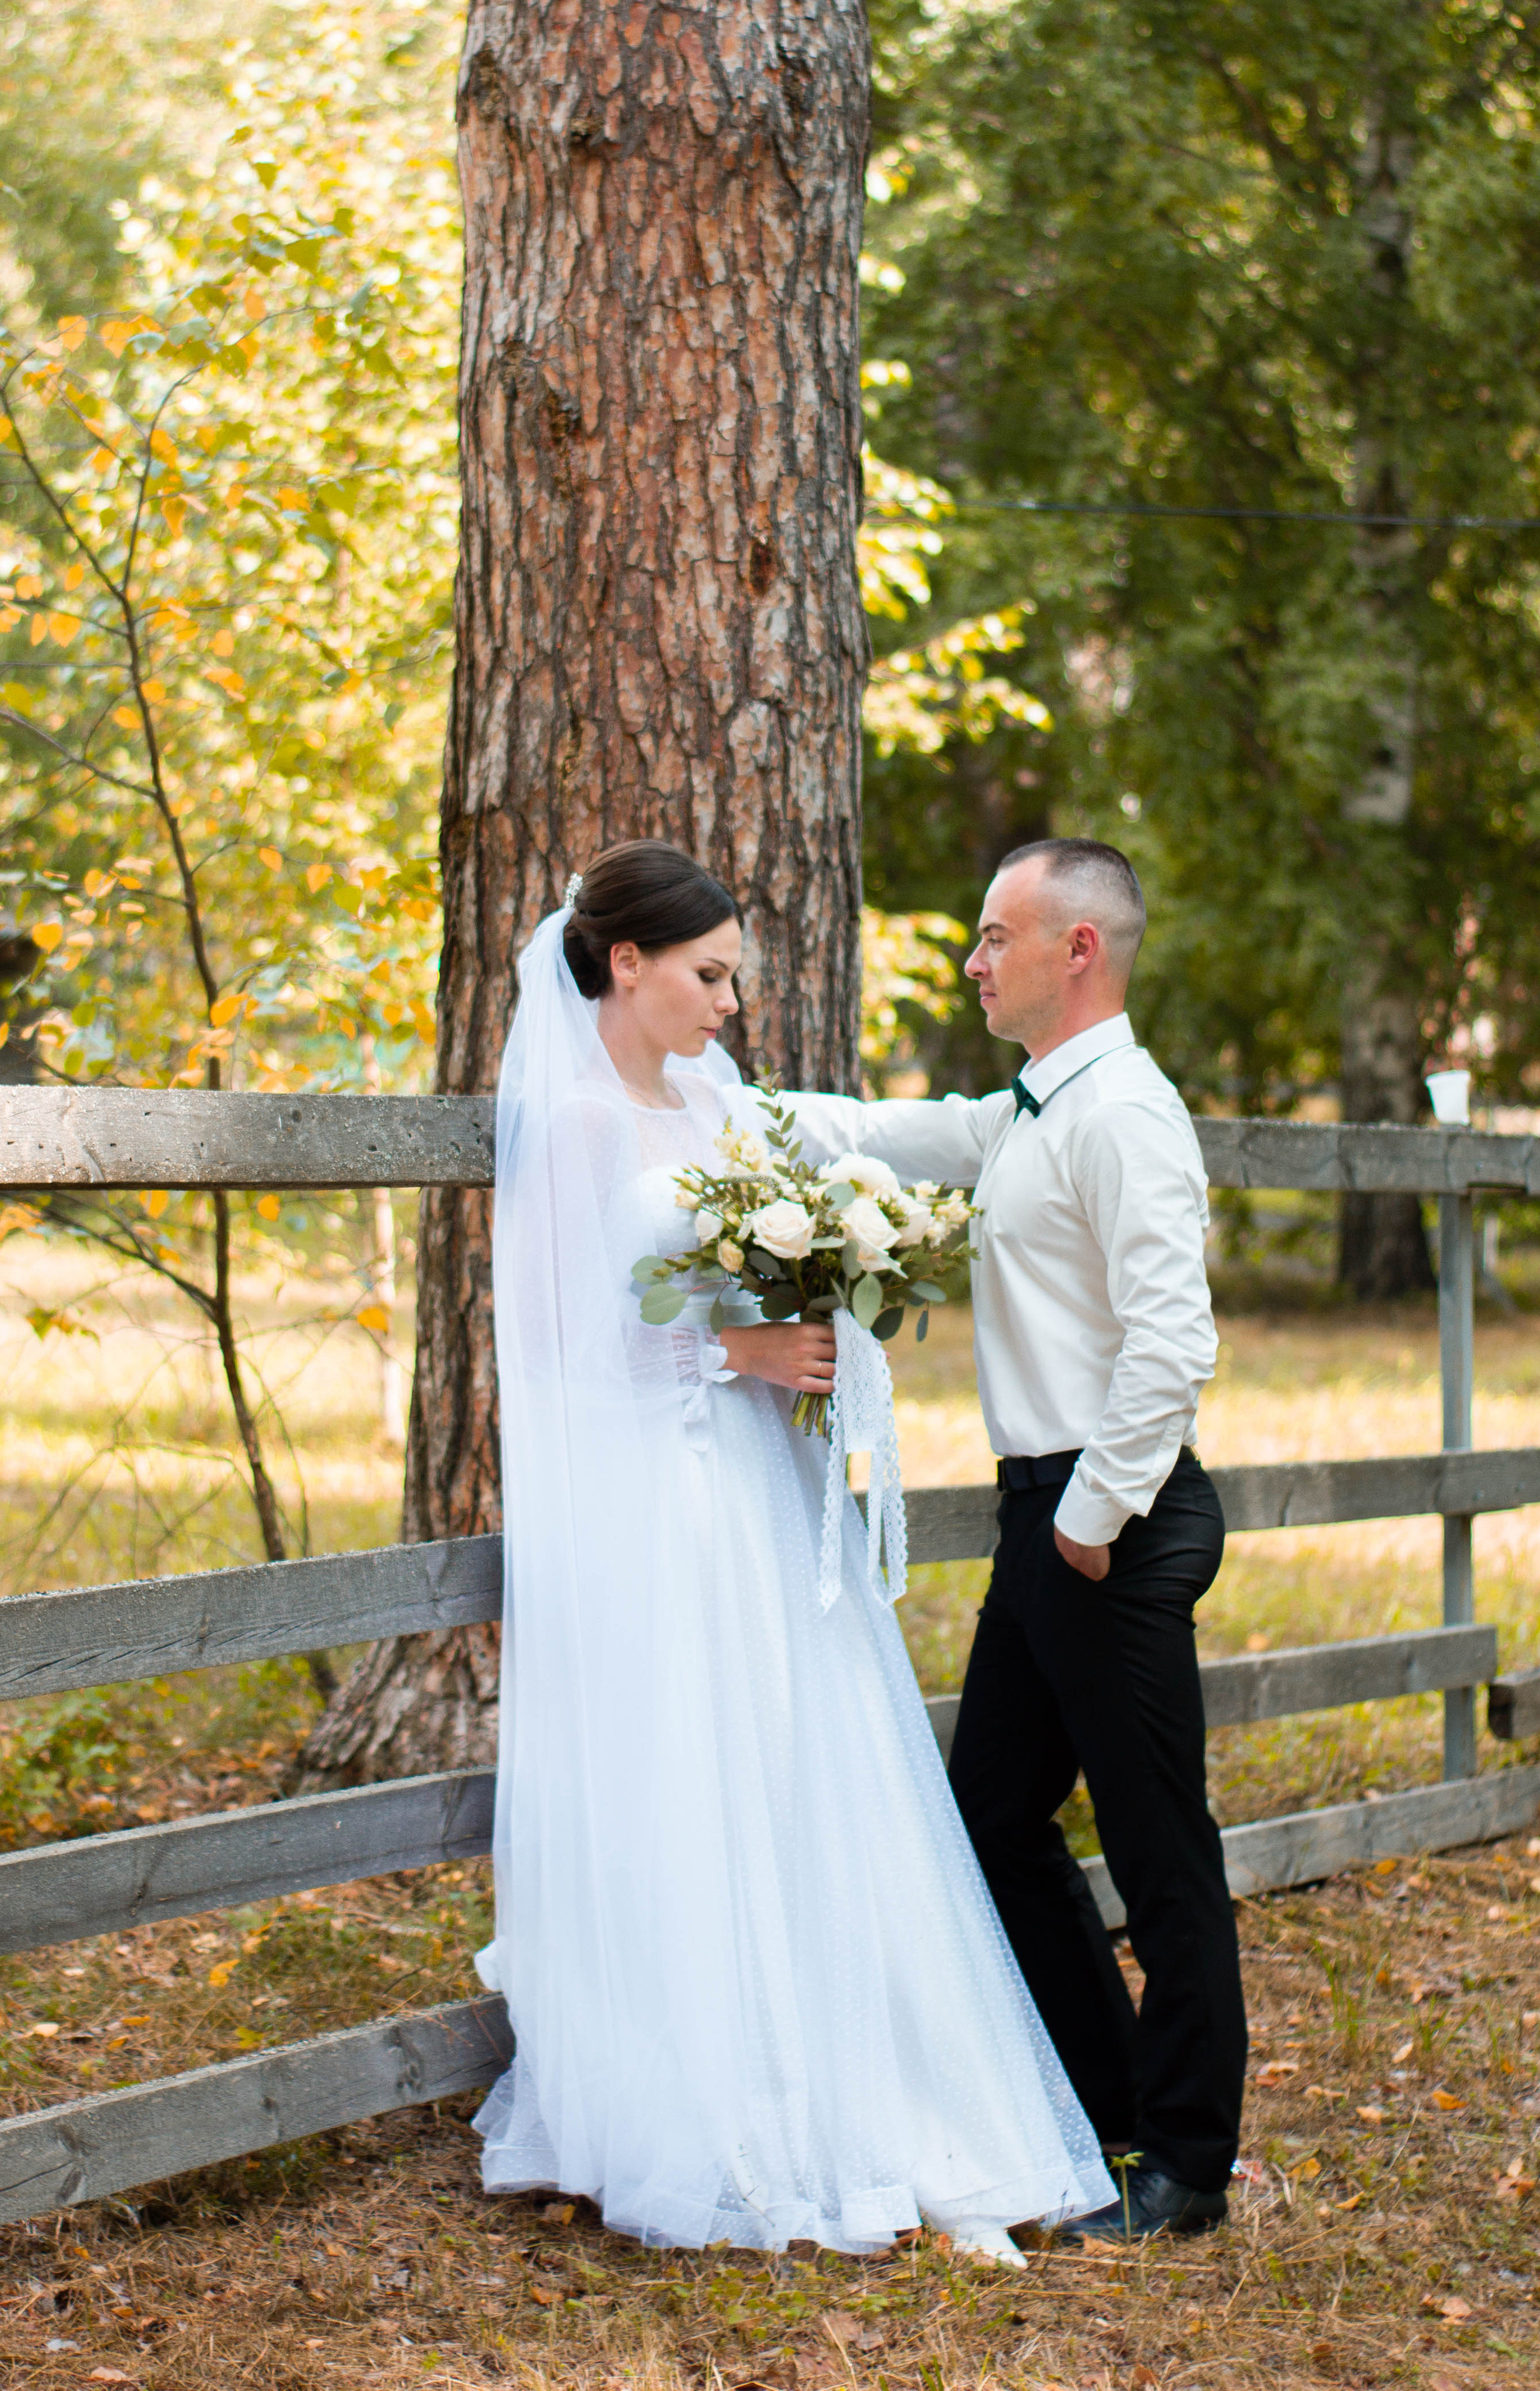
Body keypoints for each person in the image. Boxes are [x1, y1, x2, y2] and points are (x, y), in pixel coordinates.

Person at [473, 839, 1111, 2259]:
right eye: (708, 977)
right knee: (690, 1764)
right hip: (661, 1491)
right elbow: (565, 1359)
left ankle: (850, 2072)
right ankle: (710, 2093)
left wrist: (831, 1282)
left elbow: (834, 1165)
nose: (728, 1005)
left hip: (762, 1481)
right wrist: (735, 1353)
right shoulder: (576, 1124)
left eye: (734, 981)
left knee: (794, 1750)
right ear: (624, 962)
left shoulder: (718, 1099)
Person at [789, 838, 1247, 2243]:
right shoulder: (1028, 1112)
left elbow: (1174, 1344)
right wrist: (710, 1103)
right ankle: (1105, 2104)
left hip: (1111, 1521)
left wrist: (1091, 1525)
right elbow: (881, 1131)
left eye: (998, 936)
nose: (976, 960)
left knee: (1159, 1845)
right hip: (1043, 1518)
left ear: (1078, 950)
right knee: (990, 1814)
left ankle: (1187, 2166)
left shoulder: (1127, 1118)